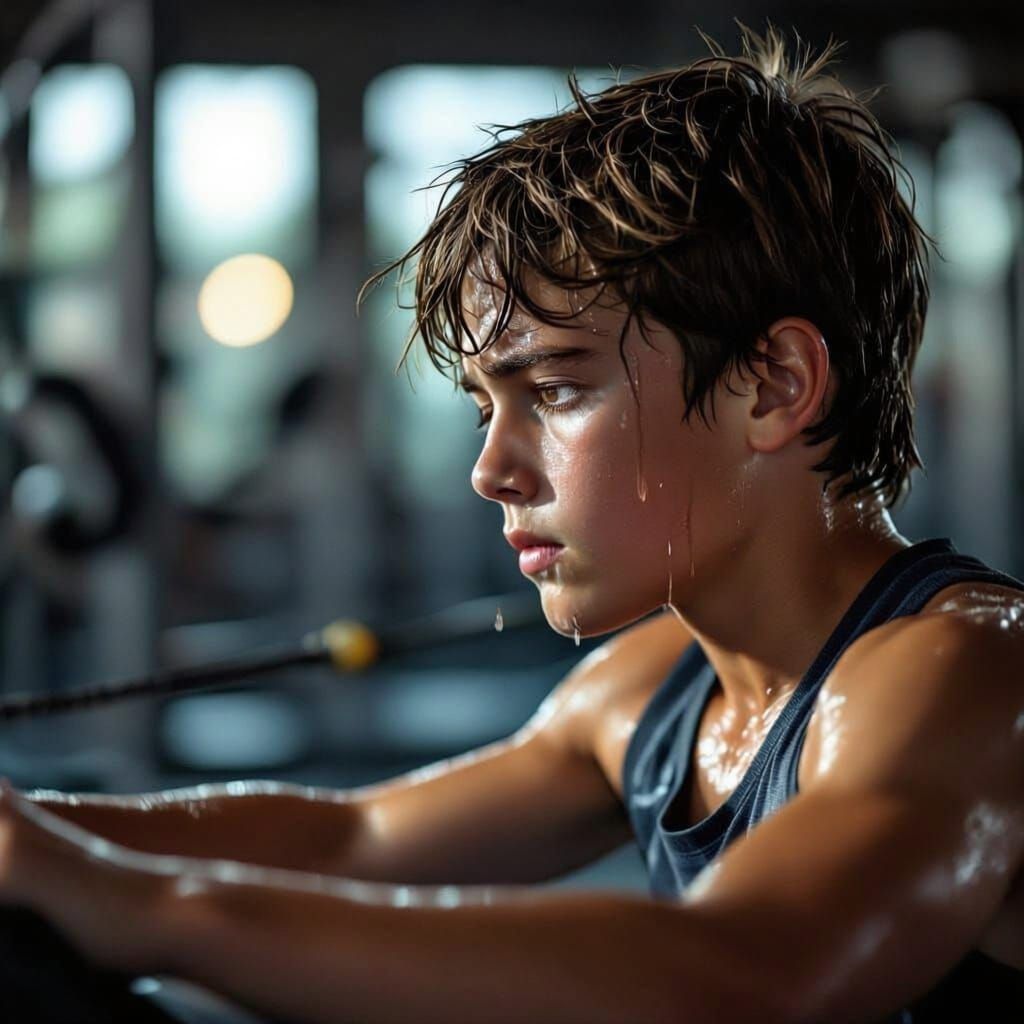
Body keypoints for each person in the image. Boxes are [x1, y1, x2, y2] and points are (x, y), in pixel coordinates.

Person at [2, 24, 1023, 1024]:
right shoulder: (658, 683)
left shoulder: (967, 667)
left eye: (557, 390)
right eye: (487, 407)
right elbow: (349, 837)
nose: (490, 471)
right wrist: (34, 833)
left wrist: (154, 912)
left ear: (773, 384)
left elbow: (746, 969)